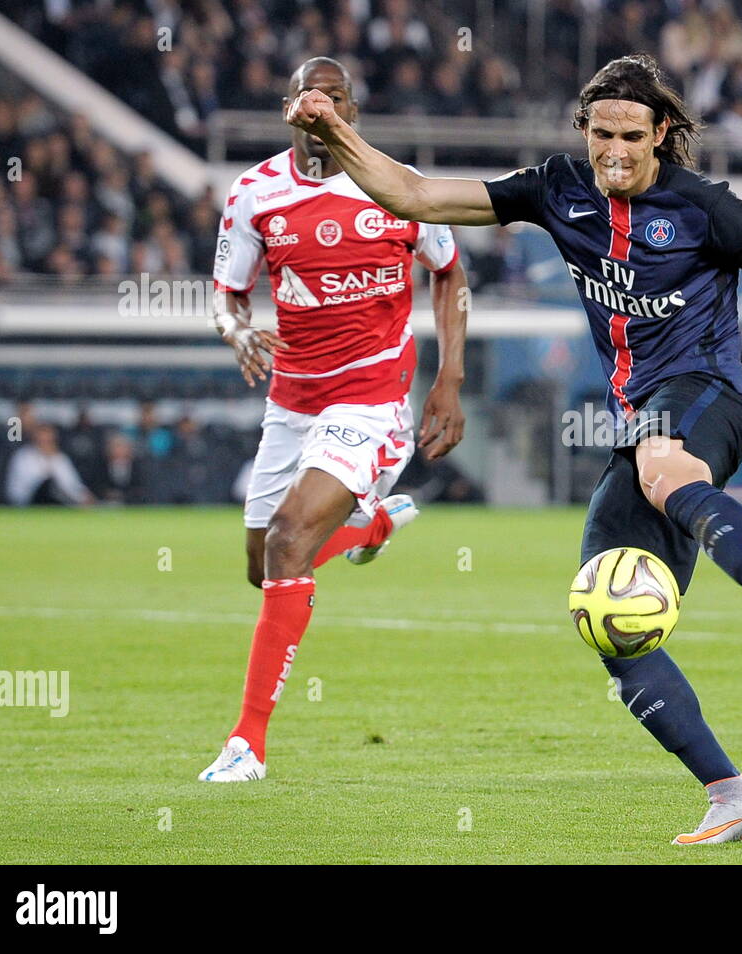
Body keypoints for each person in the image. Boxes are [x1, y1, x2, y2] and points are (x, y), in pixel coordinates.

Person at [286, 53, 742, 844]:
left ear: (661, 134)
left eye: (630, 134)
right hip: (641, 418)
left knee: (660, 461)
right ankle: (733, 797)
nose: (613, 150)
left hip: (709, 396)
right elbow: (411, 194)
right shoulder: (558, 189)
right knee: (605, 611)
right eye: (600, 133)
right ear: (584, 131)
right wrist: (336, 132)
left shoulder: (706, 208)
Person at [198, 57, 470, 783]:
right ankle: (373, 525)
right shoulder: (255, 193)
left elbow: (449, 272)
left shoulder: (395, 183)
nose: (324, 108)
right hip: (292, 399)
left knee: (291, 539)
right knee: (262, 569)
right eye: (309, 96)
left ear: (354, 109)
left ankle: (246, 745)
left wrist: (450, 375)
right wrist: (237, 331)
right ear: (289, 107)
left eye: (338, 98)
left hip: (374, 395)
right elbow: (226, 295)